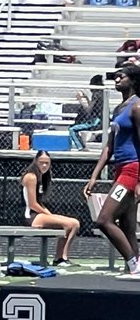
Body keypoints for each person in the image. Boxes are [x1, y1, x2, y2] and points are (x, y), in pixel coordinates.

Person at [84, 65, 140, 276]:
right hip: (120, 168)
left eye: (121, 77)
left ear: (133, 81)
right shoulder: (118, 109)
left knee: (104, 219)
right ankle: (135, 267)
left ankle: (133, 263)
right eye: (115, 77)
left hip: (132, 170)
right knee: (127, 222)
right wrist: (94, 176)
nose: (116, 80)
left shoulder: (137, 107)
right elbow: (109, 147)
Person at [21, 151, 80, 266]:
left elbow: (40, 202)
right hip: (30, 215)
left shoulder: (42, 177)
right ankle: (60, 258)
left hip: (38, 214)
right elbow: (33, 204)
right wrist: (49, 215)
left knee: (75, 224)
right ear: (36, 162)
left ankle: (62, 257)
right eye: (41, 163)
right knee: (67, 225)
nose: (44, 166)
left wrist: (48, 214)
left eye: (47, 163)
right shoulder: (31, 177)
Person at [69, 74, 105, 151]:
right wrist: (86, 98)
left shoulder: (96, 95)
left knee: (72, 129)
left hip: (96, 122)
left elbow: (89, 110)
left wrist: (80, 100)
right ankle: (82, 146)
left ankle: (81, 147)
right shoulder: (101, 94)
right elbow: (92, 106)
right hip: (99, 120)